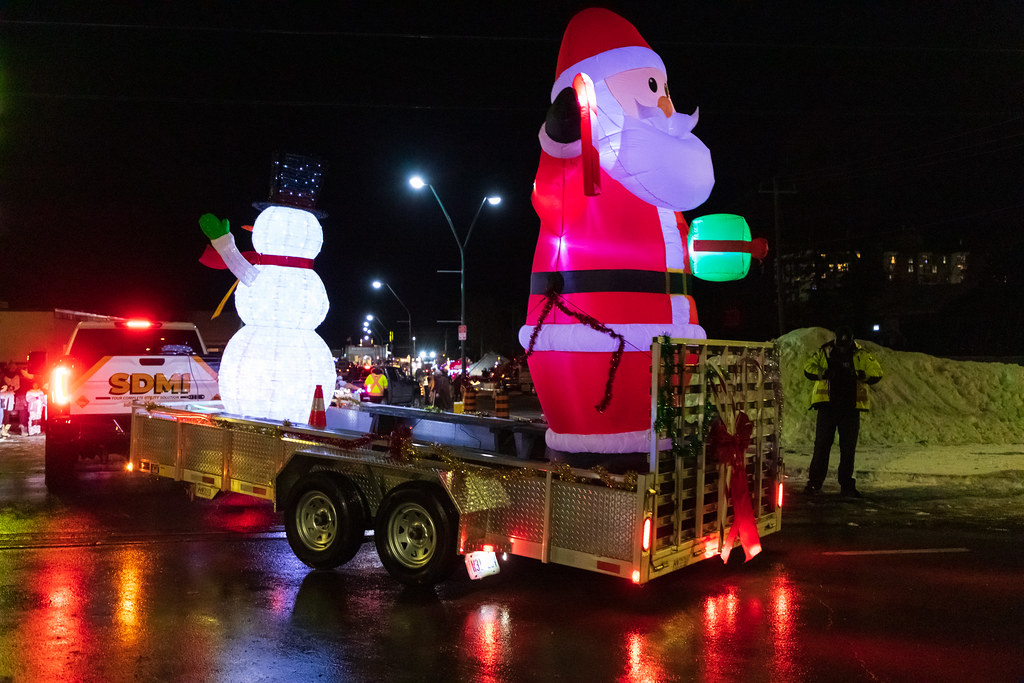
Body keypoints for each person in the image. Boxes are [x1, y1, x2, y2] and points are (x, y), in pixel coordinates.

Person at [803, 327, 883, 497]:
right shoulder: (824, 351)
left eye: (845, 346)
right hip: (827, 407)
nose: (842, 349)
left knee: (848, 448)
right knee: (822, 446)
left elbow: (877, 372)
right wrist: (823, 373)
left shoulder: (861, 354)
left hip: (850, 408)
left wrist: (861, 374)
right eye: (840, 346)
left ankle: (846, 485)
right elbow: (808, 368)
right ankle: (815, 482)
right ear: (836, 341)